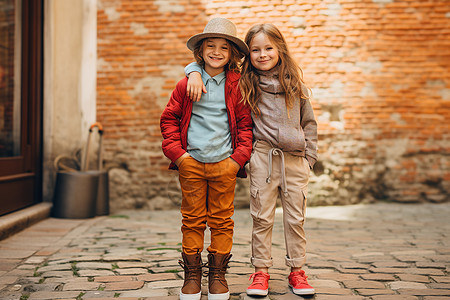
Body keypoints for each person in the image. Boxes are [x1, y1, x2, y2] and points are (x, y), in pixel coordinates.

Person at [184, 23, 318, 297]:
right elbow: (209, 66)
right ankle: (260, 271)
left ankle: (297, 271)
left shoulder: (297, 85)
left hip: (294, 160)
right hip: (262, 159)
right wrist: (192, 71)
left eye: (269, 48)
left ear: (280, 49)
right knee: (261, 218)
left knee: (295, 219)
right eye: (255, 50)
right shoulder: (245, 81)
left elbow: (310, 123)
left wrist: (309, 159)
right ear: (247, 55)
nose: (262, 54)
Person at [160, 17, 253, 300]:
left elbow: (247, 126)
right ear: (200, 51)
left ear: (232, 54)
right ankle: (191, 275)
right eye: (210, 46)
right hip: (192, 163)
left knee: (222, 220)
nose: (216, 52)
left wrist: (237, 160)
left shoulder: (238, 85)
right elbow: (169, 120)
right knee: (192, 219)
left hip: (225, 163)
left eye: (223, 48)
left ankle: (217, 275)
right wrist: (180, 156)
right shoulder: (186, 84)